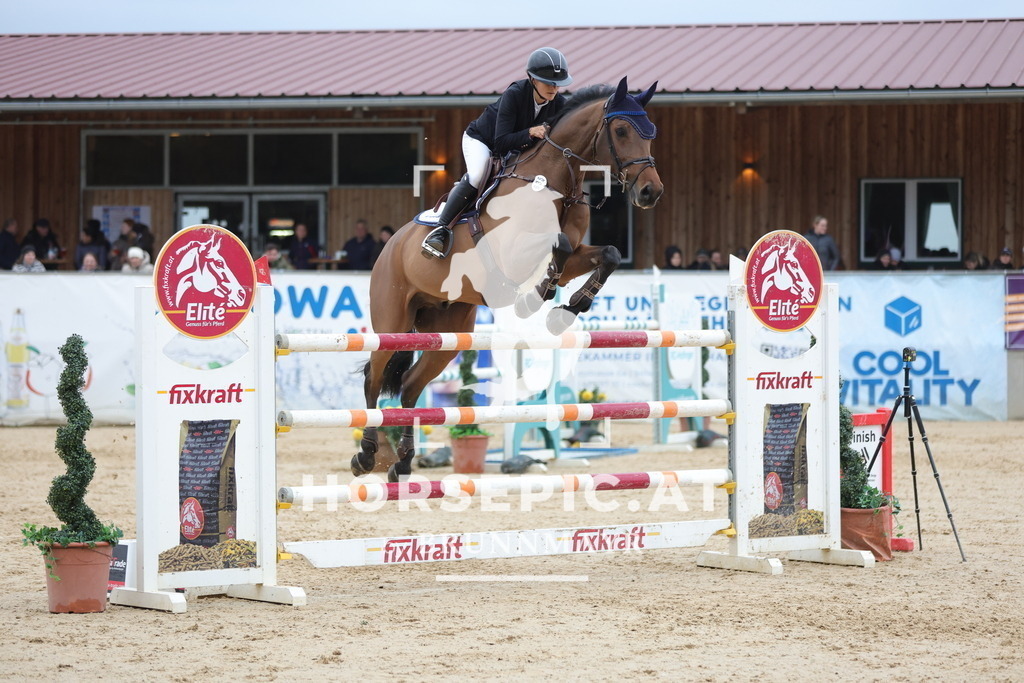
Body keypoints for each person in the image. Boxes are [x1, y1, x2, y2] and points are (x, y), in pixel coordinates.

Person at [421, 47, 572, 260]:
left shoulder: (559, 104)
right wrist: (530, 132)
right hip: (483, 141)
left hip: (516, 149)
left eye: (557, 83)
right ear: (532, 79)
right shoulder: (515, 94)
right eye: (548, 82)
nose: (554, 88)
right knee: (478, 174)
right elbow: (500, 143)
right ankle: (441, 229)